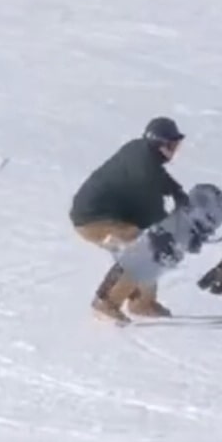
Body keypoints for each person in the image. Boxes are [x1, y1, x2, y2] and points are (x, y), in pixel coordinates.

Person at [69, 116, 190, 323]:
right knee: (143, 248)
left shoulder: (142, 152)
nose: (174, 150)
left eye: (176, 144)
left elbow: (157, 175)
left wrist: (175, 190)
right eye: (171, 144)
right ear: (159, 144)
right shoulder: (144, 170)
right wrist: (172, 231)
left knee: (150, 247)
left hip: (111, 213)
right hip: (92, 220)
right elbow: (153, 216)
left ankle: (142, 303)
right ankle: (106, 302)